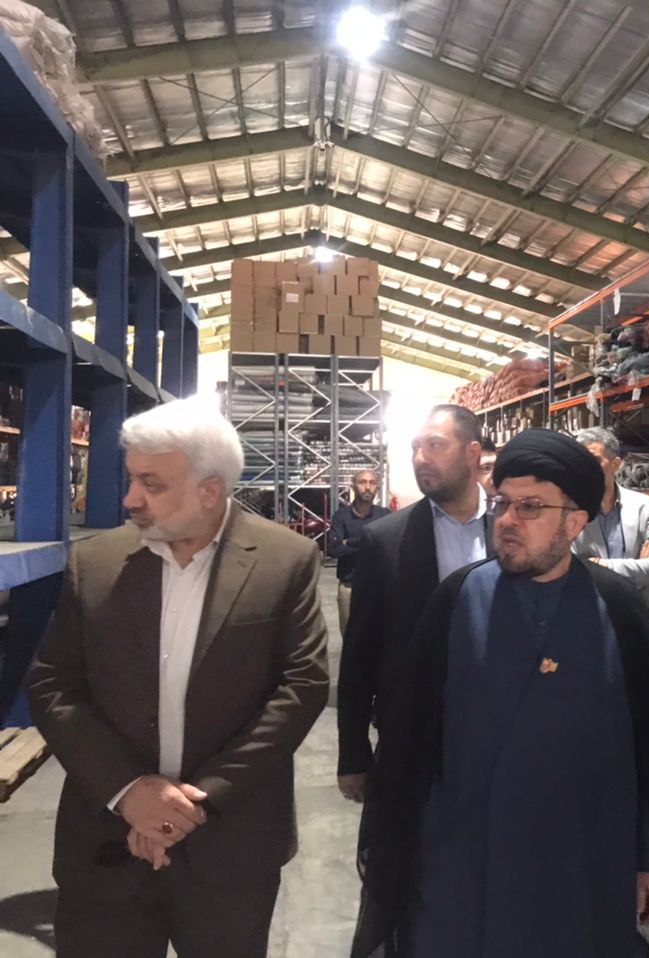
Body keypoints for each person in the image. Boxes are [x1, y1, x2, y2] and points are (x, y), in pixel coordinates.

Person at [351, 428, 649, 957]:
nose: (508, 520)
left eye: (530, 507)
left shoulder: (617, 607)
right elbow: (413, 743)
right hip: (464, 862)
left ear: (574, 521)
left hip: (583, 860)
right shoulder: (457, 599)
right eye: (503, 503)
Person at [26, 397, 328, 958]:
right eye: (132, 479)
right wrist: (129, 792)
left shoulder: (284, 562)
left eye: (152, 484)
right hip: (106, 845)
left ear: (208, 491)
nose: (130, 499)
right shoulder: (95, 564)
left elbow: (301, 686)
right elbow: (52, 684)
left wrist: (192, 804)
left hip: (229, 848)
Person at [337, 404, 491, 803]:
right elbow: (360, 654)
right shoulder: (386, 540)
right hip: (413, 735)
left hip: (500, 729)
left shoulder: (511, 527)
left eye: (435, 445)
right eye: (415, 448)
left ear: (472, 453)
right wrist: (353, 753)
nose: (420, 458)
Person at [572, 426, 649, 628]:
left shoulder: (643, 506)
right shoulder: (570, 511)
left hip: (638, 620)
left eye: (595, 460)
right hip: (591, 620)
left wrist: (601, 565)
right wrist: (638, 570)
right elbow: (571, 573)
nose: (587, 468)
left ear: (615, 464)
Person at [328, 469, 390, 637]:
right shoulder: (341, 516)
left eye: (372, 482)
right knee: (350, 638)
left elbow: (389, 547)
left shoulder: (385, 515)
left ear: (377, 487)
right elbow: (334, 549)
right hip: (349, 588)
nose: (367, 487)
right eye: (362, 482)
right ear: (353, 486)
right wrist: (370, 541)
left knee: (380, 638)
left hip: (378, 588)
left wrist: (349, 541)